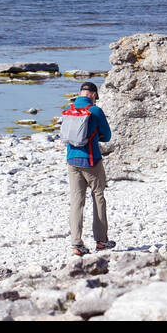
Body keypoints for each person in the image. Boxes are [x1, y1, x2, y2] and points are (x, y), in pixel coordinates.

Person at [65, 81, 114, 256]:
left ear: (80, 93)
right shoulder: (95, 111)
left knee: (77, 202)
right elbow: (107, 136)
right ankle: (101, 241)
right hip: (92, 161)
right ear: (93, 95)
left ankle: (76, 245)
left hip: (72, 161)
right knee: (98, 197)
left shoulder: (69, 108)